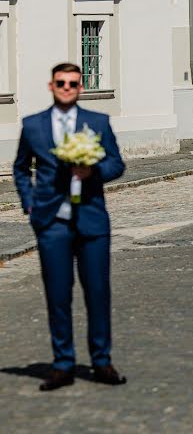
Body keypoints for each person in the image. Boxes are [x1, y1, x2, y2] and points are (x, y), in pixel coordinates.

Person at [13, 63, 127, 391]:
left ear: (80, 87)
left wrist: (95, 172)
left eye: (73, 83)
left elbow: (117, 164)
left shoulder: (98, 122)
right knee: (58, 295)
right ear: (51, 85)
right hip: (52, 222)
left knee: (97, 292)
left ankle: (101, 361)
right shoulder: (33, 125)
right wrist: (30, 203)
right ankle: (62, 364)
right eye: (61, 82)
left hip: (91, 219)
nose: (67, 87)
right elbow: (21, 168)